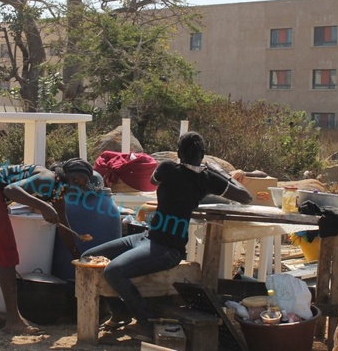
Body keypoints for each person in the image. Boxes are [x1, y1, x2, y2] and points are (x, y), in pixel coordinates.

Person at [81, 131, 252, 342]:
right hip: (149, 238)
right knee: (93, 259)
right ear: (203, 155)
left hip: (167, 249)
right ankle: (121, 311)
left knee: (111, 269)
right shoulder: (207, 178)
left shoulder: (168, 168)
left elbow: (154, 181)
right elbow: (245, 196)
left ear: (179, 153)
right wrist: (221, 173)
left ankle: (146, 321)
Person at [0, 158, 93, 335]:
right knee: (6, 257)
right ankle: (14, 320)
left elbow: (63, 226)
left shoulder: (58, 190)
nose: (74, 186)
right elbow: (10, 189)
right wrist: (43, 206)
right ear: (66, 173)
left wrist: (78, 258)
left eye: (80, 185)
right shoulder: (48, 178)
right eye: (74, 180)